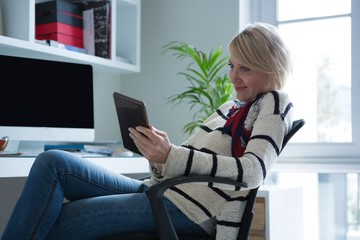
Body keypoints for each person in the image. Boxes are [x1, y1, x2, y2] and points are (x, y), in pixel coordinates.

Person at [1, 22, 293, 240]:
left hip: (186, 211)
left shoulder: (273, 104)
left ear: (268, 67)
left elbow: (253, 170)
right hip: (162, 192)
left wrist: (173, 155)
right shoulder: (231, 108)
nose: (232, 77)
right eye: (232, 66)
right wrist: (161, 154)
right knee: (54, 163)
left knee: (51, 222)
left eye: (245, 69)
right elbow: (182, 165)